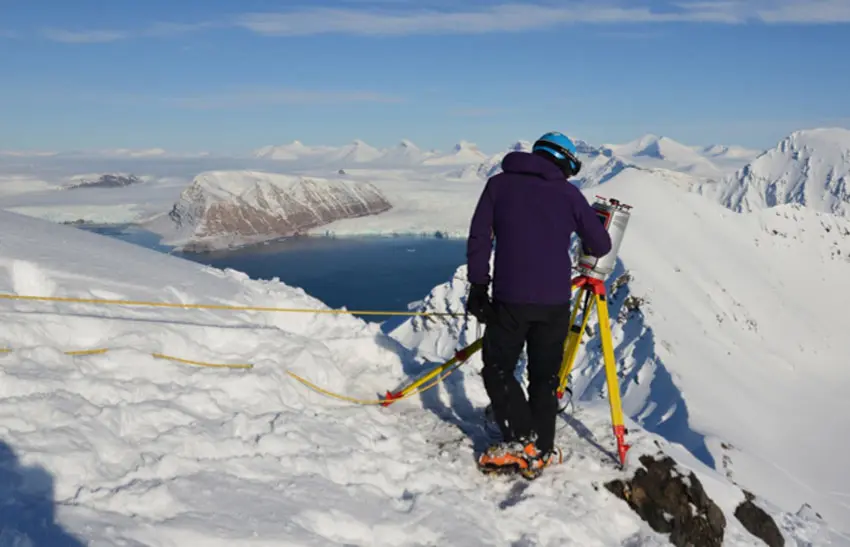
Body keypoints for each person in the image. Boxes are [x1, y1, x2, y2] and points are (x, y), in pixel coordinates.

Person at [465, 131, 613, 479]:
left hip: (510, 299)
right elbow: (601, 244)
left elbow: (479, 238)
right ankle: (540, 448)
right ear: (565, 161)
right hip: (555, 302)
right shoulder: (569, 194)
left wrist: (477, 286)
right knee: (544, 378)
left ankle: (522, 439)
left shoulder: (498, 186)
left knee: (498, 368)